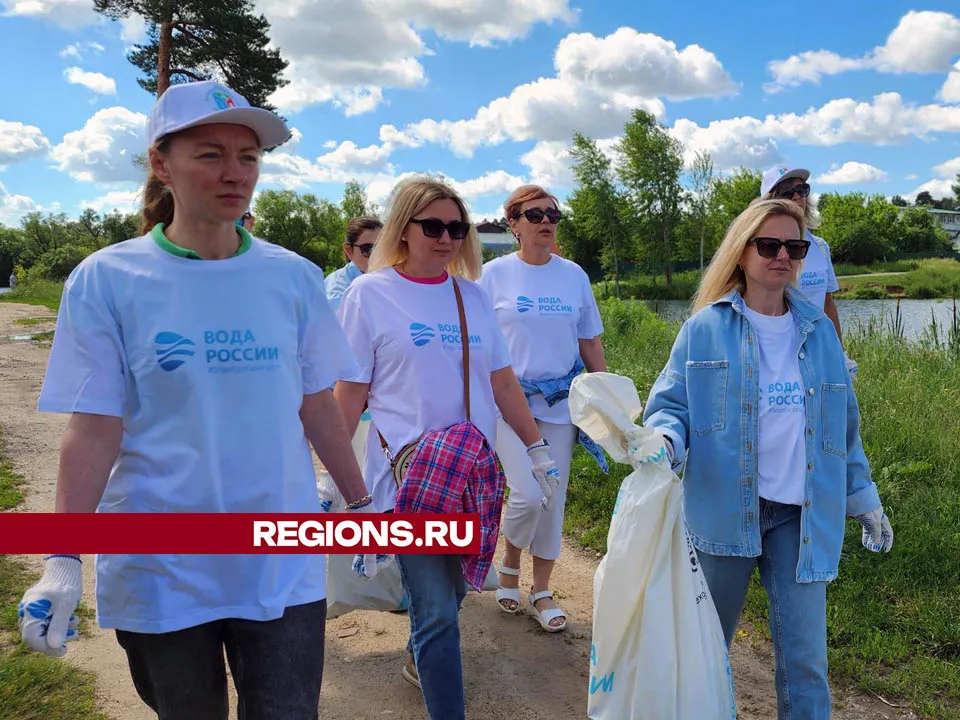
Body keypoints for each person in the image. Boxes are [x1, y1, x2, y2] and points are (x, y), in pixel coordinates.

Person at [15, 80, 374, 720]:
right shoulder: (108, 279)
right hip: (162, 562)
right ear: (161, 163)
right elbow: (94, 428)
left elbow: (317, 404)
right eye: (210, 154)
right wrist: (62, 556)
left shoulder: (291, 278)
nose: (235, 173)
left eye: (248, 157)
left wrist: (366, 505)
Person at [643, 198, 894, 719]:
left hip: (800, 518)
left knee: (806, 664)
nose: (783, 256)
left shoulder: (819, 332)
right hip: (723, 512)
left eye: (794, 247)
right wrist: (664, 442)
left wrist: (862, 497)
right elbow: (672, 406)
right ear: (742, 252)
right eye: (770, 244)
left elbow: (842, 427)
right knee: (706, 652)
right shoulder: (704, 329)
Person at [334, 176, 560, 719]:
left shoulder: (474, 297)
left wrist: (536, 448)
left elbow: (502, 382)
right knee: (436, 607)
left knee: (456, 592)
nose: (446, 238)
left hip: (472, 477)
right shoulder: (369, 295)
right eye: (432, 226)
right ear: (403, 230)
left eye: (456, 227)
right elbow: (350, 393)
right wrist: (333, 475)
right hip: (410, 479)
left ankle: (418, 653)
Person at [479, 185, 606, 632]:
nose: (546, 221)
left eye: (553, 213)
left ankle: (542, 589)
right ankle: (510, 558)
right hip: (506, 405)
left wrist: (604, 393)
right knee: (528, 493)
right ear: (513, 224)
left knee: (552, 497)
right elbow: (475, 342)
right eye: (534, 214)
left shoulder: (573, 276)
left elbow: (589, 339)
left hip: (558, 405)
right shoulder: (492, 275)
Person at [760, 166, 858, 377]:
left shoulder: (820, 247)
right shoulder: (761, 248)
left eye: (802, 189)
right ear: (770, 200)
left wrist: (839, 353)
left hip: (817, 352)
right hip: (777, 356)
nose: (797, 196)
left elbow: (827, 304)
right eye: (787, 191)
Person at [326, 215, 382, 312]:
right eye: (368, 249)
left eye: (382, 247)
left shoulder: (385, 280)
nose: (376, 256)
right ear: (348, 250)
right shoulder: (338, 295)